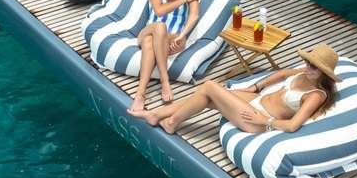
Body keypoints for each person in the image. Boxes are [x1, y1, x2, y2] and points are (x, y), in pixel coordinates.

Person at [136, 43, 341, 135]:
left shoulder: (315, 95)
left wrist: (264, 121)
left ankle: (171, 122)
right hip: (256, 102)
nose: (308, 67)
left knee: (209, 86)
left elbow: (292, 126)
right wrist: (256, 87)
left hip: (258, 121)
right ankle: (157, 115)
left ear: (324, 72)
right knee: (206, 96)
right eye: (308, 62)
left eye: (314, 66)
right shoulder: (305, 72)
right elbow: (282, 74)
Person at [127, 0, 200, 113]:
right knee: (160, 27)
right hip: (149, 31)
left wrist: (182, 36)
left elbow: (194, 15)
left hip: (174, 39)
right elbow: (159, 11)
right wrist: (184, 0)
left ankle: (140, 95)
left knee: (150, 44)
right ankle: (165, 82)